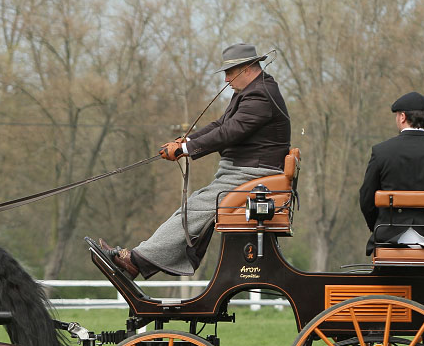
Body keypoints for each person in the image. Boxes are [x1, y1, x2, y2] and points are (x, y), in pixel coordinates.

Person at [100, 43, 291, 279]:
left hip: (253, 175)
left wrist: (186, 149)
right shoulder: (251, 92)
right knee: (192, 207)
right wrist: (185, 141)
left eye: (229, 73)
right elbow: (220, 125)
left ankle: (135, 261)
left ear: (247, 68)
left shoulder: (260, 95)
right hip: (244, 172)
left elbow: (229, 132)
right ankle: (139, 258)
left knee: (193, 210)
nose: (226, 80)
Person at [359, 92, 424, 254]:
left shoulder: (382, 152)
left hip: (390, 238)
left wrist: (379, 227)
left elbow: (366, 199)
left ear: (402, 117)